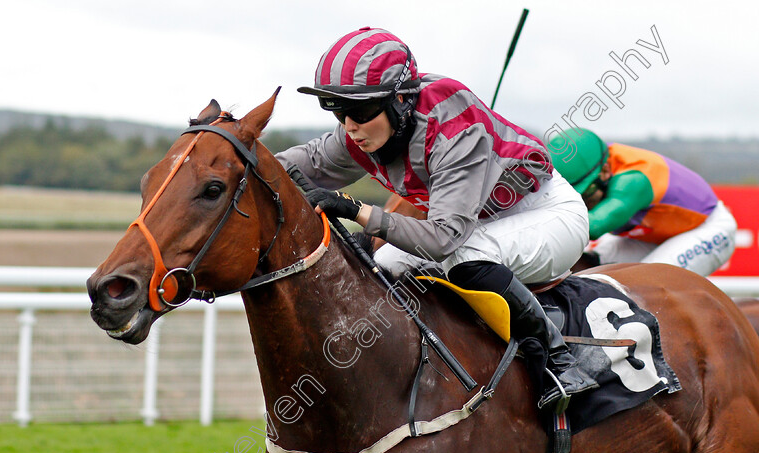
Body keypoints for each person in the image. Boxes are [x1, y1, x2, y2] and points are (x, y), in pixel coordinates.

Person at [275, 27, 597, 408]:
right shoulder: (363, 132)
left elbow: (443, 239)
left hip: (546, 213)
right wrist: (236, 161)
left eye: (359, 111)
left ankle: (560, 364)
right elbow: (302, 164)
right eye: (337, 111)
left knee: (465, 257)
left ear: (400, 101)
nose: (349, 127)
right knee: (385, 263)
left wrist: (354, 209)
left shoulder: (454, 131)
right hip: (478, 223)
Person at [547, 128, 737, 276]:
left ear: (605, 172)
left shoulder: (633, 180)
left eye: (584, 192)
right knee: (590, 269)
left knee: (650, 285)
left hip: (707, 229)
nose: (578, 201)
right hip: (653, 234)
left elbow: (593, 226)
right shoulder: (594, 163)